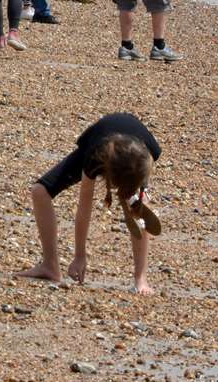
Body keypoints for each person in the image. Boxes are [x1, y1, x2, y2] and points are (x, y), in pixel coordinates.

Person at [16, 112, 162, 293]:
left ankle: (141, 278)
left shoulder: (149, 153)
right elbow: (84, 208)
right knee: (40, 192)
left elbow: (140, 202)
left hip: (135, 154)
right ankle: (50, 266)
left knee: (138, 206)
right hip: (100, 141)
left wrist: (136, 198)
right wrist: (79, 256)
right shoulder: (94, 157)